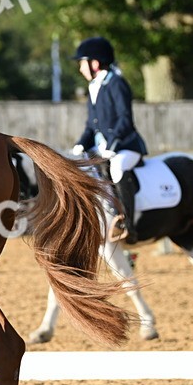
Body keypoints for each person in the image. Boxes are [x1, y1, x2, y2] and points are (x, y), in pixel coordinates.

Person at [71, 36, 148, 244]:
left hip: (126, 146)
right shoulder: (93, 87)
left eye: (82, 63)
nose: (80, 69)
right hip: (102, 147)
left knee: (117, 168)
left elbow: (125, 118)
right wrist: (80, 144)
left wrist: (112, 143)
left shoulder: (116, 83)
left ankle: (128, 224)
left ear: (94, 63)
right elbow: (91, 125)